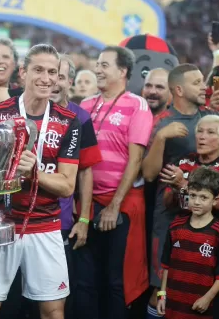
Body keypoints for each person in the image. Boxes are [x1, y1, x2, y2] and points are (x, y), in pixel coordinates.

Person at [0, 44, 81, 319]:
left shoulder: (69, 121)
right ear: (23, 73)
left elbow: (67, 186)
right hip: (3, 224)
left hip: (45, 226)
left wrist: (34, 174)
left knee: (54, 311)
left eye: (52, 72)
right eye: (39, 70)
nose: (46, 78)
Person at [79, 46, 153, 319]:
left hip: (121, 206)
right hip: (87, 204)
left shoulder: (137, 105)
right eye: (97, 64)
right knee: (86, 280)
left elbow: (136, 161)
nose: (97, 69)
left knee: (115, 280)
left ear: (122, 72)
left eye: (104, 65)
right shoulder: (85, 105)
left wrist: (114, 206)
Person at [141, 64, 219, 318]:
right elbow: (150, 174)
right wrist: (162, 138)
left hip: (207, 216)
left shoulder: (209, 117)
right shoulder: (162, 122)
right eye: (196, 83)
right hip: (169, 215)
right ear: (179, 89)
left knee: (196, 285)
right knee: (160, 286)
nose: (204, 87)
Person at [49, 55, 102, 319]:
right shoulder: (26, 110)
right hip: (21, 218)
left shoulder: (80, 118)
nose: (54, 81)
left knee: (57, 294)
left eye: (60, 76)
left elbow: (86, 171)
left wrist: (83, 218)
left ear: (70, 81)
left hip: (60, 222)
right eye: (49, 74)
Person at [157, 167, 219, 319]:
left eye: (203, 197)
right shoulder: (175, 227)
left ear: (215, 200)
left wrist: (207, 298)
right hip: (174, 307)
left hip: (204, 309)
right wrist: (162, 295)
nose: (196, 202)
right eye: (193, 195)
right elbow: (166, 266)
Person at [161, 115, 219, 226]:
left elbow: (217, 204)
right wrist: (174, 189)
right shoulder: (184, 161)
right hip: (181, 228)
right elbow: (168, 204)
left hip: (215, 232)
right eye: (199, 131)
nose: (202, 137)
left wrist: (183, 185)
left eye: (211, 132)